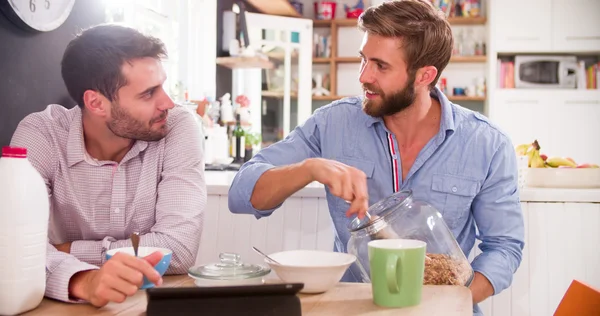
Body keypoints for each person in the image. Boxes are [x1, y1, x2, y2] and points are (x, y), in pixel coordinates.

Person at [228, 0, 524, 314]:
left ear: (424, 76)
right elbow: (241, 194)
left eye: (380, 66)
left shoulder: (487, 144)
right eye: (363, 60)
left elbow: (504, 248)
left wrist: (449, 303)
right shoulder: (332, 124)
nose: (364, 76)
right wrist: (310, 168)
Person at [10, 24, 206, 307]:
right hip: (63, 306)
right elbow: (13, 245)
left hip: (151, 303)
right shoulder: (43, 135)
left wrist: (68, 251)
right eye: (148, 93)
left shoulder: (178, 127)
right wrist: (83, 280)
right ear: (96, 103)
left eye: (163, 85)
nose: (168, 103)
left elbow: (179, 249)